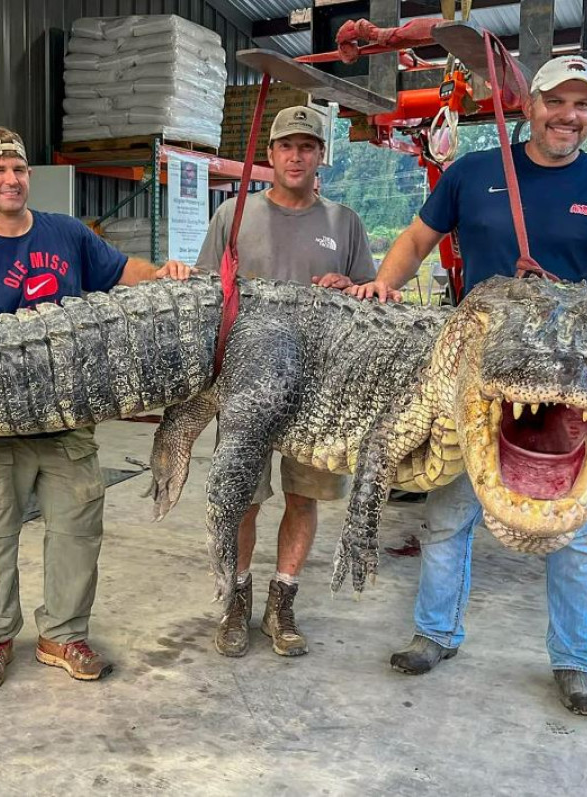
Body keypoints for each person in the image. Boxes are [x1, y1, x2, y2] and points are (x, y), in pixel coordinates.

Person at [346, 55, 587, 716]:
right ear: (529, 105)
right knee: (449, 510)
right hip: (480, 376)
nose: (568, 116)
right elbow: (417, 238)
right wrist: (384, 284)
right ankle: (435, 633)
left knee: (576, 531)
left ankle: (575, 661)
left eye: (583, 106)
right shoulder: (475, 173)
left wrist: (586, 315)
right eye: (556, 102)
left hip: (569, 379)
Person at [0, 127, 192, 692]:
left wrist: (165, 273)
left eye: (19, 169)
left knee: (77, 528)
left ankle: (63, 633)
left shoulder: (68, 234)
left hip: (67, 419)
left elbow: (124, 271)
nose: (11, 179)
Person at [196, 106, 377, 659]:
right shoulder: (233, 215)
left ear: (321, 155)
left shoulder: (344, 222)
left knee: (305, 496)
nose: (296, 156)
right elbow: (206, 297)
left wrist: (349, 286)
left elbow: (370, 300)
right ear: (270, 155)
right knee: (243, 497)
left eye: (308, 146)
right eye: (286, 146)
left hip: (319, 390)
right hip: (246, 383)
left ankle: (282, 601)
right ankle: (236, 599)